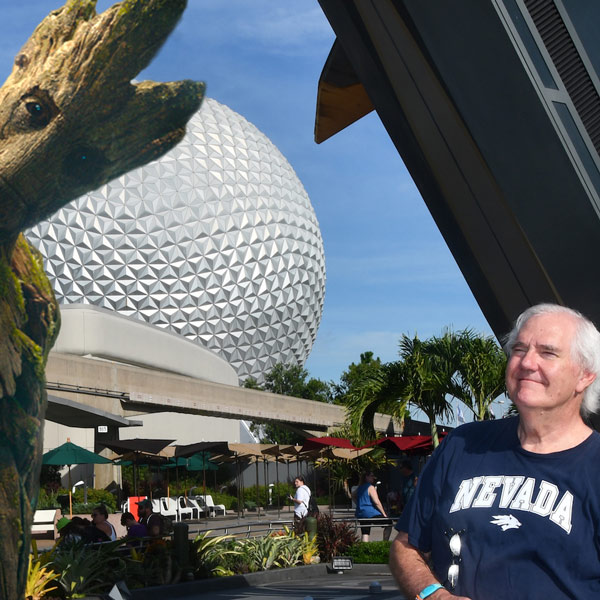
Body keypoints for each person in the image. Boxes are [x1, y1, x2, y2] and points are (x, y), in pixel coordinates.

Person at [389, 303, 600, 600]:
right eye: (519, 349)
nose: (527, 363)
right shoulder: (461, 446)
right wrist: (433, 594)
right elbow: (405, 546)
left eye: (547, 352)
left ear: (585, 375)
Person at [352, 471, 387, 542]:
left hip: (361, 513)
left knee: (365, 532)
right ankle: (385, 542)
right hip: (371, 513)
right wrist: (384, 514)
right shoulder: (370, 487)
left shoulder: (359, 488)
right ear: (366, 477)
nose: (373, 478)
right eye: (371, 476)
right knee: (389, 523)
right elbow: (376, 502)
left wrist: (359, 504)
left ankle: (364, 548)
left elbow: (353, 495)